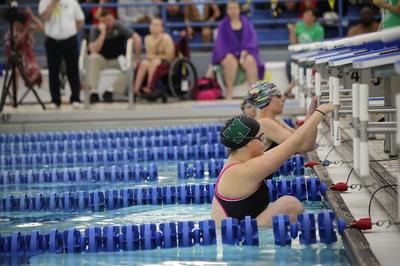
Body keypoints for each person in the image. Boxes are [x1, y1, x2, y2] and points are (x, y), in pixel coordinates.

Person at [212, 102, 334, 226]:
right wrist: (320, 112)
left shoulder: (238, 162)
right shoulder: (243, 171)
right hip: (238, 238)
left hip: (241, 232)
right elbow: (293, 144)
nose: (264, 143)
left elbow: (301, 144)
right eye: (260, 138)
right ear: (247, 143)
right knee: (289, 205)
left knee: (289, 204)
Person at [212, 0, 263, 100]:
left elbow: (252, 40)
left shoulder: (246, 23)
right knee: (230, 61)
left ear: (239, 10)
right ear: (227, 11)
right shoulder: (223, 25)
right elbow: (220, 43)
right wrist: (227, 53)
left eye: (235, 8)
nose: (233, 11)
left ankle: (254, 93)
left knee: (250, 61)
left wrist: (246, 51)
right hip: (229, 54)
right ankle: (229, 93)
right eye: (230, 8)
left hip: (244, 53)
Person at [246, 81, 318, 152]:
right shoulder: (265, 123)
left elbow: (302, 138)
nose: (282, 101)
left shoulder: (275, 120)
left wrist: (312, 113)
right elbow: (304, 146)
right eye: (278, 96)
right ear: (267, 100)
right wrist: (316, 112)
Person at [88, 9, 141, 103]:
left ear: (113, 19)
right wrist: (103, 33)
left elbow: (137, 38)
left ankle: (111, 90)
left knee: (130, 65)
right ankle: (94, 91)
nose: (107, 23)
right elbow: (94, 50)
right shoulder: (95, 30)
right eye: (104, 21)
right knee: (92, 58)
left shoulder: (119, 27)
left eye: (109, 20)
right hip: (103, 60)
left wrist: (137, 58)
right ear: (100, 22)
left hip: (118, 60)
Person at [39, 0, 85, 109]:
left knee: (73, 70)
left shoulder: (72, 2)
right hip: (52, 40)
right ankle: (55, 100)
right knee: (53, 71)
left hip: (69, 39)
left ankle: (76, 98)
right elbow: (45, 17)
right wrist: (54, 3)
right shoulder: (44, 1)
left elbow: (80, 20)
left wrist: (71, 31)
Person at [133, 18, 175, 98]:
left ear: (162, 28)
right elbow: (149, 54)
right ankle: (136, 90)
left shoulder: (166, 38)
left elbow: (170, 56)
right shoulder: (147, 38)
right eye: (152, 24)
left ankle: (150, 87)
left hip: (165, 62)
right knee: (144, 63)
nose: (153, 27)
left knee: (154, 62)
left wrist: (155, 55)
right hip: (153, 60)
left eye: (156, 25)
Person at [4, 7, 43, 89]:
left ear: (22, 25)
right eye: (15, 25)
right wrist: (25, 28)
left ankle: (32, 77)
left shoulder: (27, 29)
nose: (17, 27)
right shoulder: (11, 33)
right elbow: (18, 41)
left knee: (32, 68)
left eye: (19, 25)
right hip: (15, 59)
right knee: (15, 72)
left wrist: (31, 16)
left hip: (28, 59)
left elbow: (41, 27)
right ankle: (15, 98)